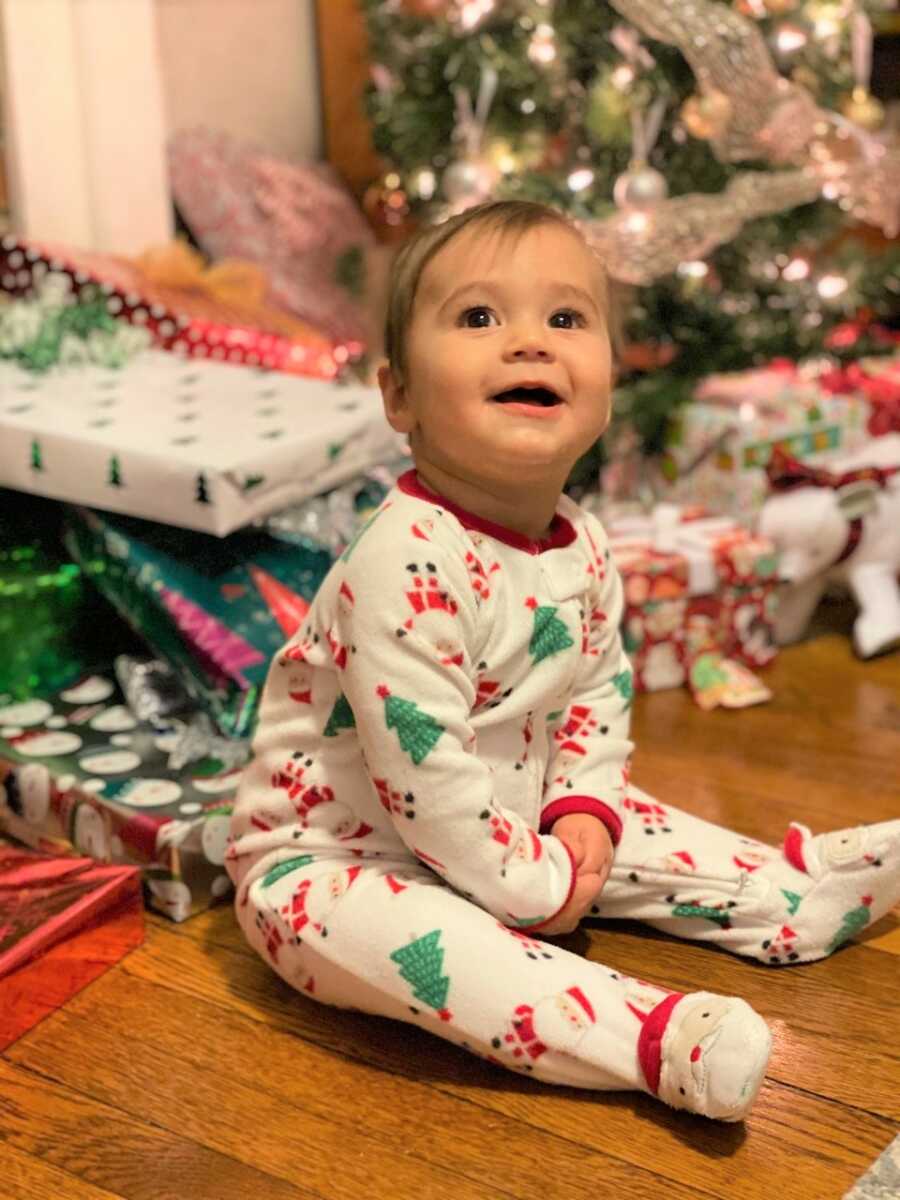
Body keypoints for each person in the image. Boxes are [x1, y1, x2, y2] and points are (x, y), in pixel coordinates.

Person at [225, 200, 899, 1122]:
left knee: (638, 823)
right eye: (478, 317)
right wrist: (535, 886)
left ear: (609, 382)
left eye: (566, 318)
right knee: (458, 957)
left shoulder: (579, 541)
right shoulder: (400, 559)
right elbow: (427, 779)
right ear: (400, 398)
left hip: (506, 815)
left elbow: (596, 697)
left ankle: (789, 898)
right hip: (336, 863)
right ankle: (652, 1041)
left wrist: (583, 808)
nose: (530, 343)